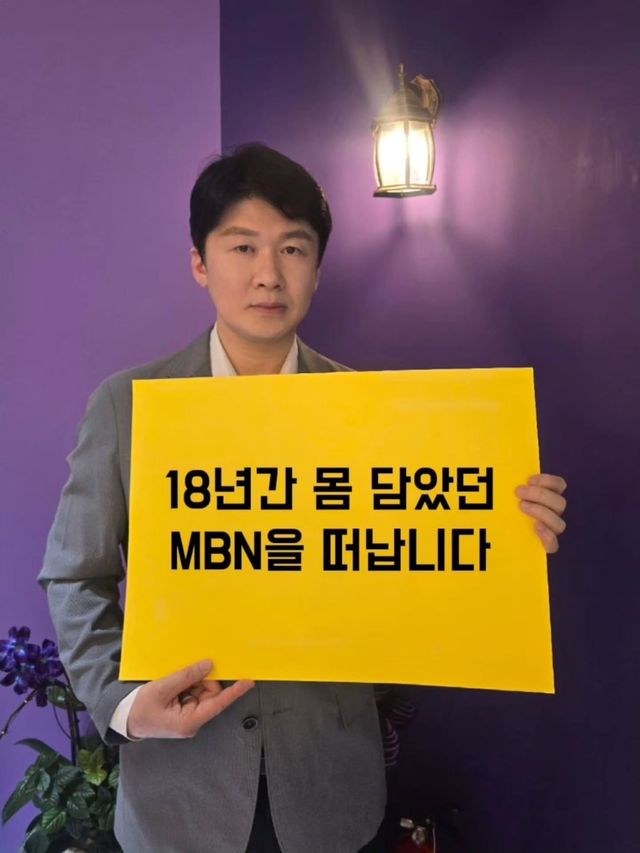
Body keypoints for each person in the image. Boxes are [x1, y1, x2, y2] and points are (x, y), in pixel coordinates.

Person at [39, 143, 568, 853]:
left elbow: (412, 564)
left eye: (292, 248)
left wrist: (508, 533)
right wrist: (125, 703)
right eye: (242, 247)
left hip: (330, 792)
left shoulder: (375, 414)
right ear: (200, 263)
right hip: (179, 795)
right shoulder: (127, 405)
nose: (268, 273)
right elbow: (74, 575)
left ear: (317, 269)